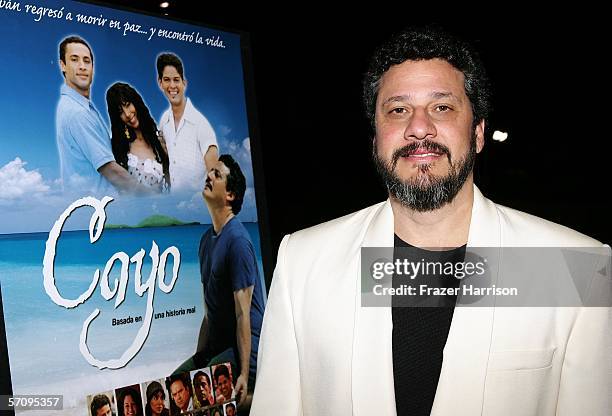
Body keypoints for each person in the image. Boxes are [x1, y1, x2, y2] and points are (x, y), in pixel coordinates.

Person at [250, 27, 610, 415]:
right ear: (375, 140)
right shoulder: (303, 263)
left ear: (477, 133)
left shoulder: (574, 268)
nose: (419, 128)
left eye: (442, 107)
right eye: (398, 109)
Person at [194, 155, 265, 409]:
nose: (209, 176)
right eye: (210, 171)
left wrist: (245, 375)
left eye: (218, 174)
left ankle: (262, 402)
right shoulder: (205, 241)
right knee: (177, 383)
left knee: (203, 403)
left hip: (248, 350)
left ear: (230, 195)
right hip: (221, 347)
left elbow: (242, 315)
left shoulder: (238, 241)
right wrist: (199, 356)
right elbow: (208, 313)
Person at [55, 36, 141, 194]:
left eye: (87, 61)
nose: (82, 66)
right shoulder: (77, 112)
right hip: (97, 211)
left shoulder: (83, 107)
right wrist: (154, 198)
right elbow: (112, 172)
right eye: (74, 60)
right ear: (63, 65)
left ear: (93, 68)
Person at [156, 52, 218, 191]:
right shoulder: (164, 121)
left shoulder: (200, 124)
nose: (172, 86)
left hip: (198, 205)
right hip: (175, 204)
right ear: (160, 83)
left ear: (184, 83)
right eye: (167, 80)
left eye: (176, 80)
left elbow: (215, 175)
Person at [106, 82, 170, 192]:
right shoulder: (117, 149)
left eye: (127, 105)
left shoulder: (160, 142)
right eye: (121, 112)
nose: (127, 114)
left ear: (136, 102)